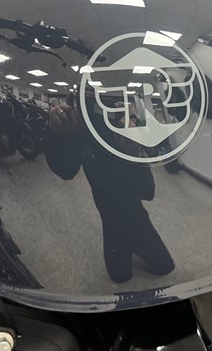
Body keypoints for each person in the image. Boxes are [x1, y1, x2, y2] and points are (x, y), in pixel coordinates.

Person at [45, 93, 175, 283]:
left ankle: (139, 247)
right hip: (112, 226)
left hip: (139, 222)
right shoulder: (79, 134)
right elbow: (65, 170)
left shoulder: (123, 129)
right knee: (120, 277)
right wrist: (54, 133)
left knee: (165, 267)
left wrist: (133, 152)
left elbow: (147, 191)